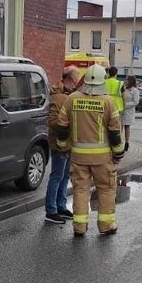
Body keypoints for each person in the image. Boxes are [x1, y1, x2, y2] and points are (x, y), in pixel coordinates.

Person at [56, 63, 126, 237]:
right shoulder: (108, 102)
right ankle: (106, 225)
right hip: (103, 158)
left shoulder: (71, 98)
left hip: (79, 156)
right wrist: (118, 153)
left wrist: (63, 148)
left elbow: (62, 126)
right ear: (103, 80)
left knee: (80, 190)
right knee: (106, 189)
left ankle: (79, 227)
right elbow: (115, 133)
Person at [44, 65, 80, 224]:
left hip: (67, 143)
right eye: (77, 77)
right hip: (60, 144)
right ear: (71, 79)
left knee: (64, 176)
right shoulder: (59, 97)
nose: (78, 80)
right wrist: (65, 134)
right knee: (57, 177)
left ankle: (61, 206)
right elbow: (54, 122)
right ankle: (51, 210)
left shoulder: (67, 94)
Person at [121, 75, 139, 152]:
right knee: (119, 127)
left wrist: (126, 105)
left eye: (126, 80)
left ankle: (127, 143)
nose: (125, 81)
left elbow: (136, 102)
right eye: (125, 80)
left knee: (127, 127)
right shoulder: (123, 88)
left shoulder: (135, 90)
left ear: (130, 81)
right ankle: (118, 143)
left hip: (128, 112)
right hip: (121, 110)